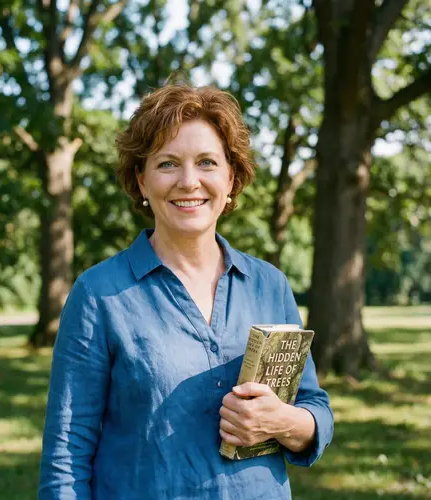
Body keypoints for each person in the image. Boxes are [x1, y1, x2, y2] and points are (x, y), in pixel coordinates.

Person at [38, 83, 334, 500]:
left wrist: (282, 422)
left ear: (231, 178)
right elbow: (65, 458)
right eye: (168, 164)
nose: (189, 181)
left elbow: (314, 409)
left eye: (207, 162)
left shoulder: (270, 285)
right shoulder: (97, 294)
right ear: (141, 181)